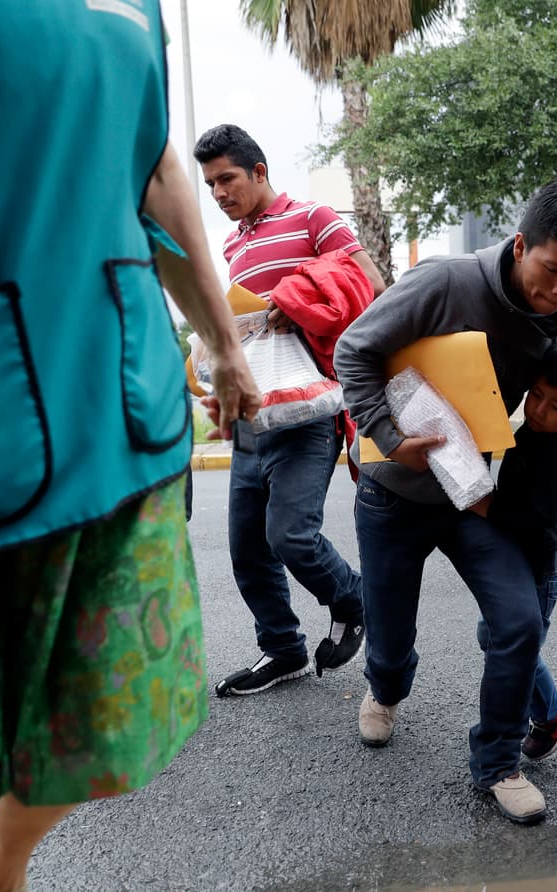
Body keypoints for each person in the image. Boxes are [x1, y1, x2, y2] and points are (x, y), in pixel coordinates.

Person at [0, 5, 261, 890]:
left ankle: (0, 858)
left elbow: (154, 164)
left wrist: (222, 340)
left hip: (117, 416)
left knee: (110, 708)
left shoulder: (139, 8)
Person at [334, 180, 557, 824]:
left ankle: (497, 763)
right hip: (393, 492)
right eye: (552, 270)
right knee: (391, 637)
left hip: (474, 496)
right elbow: (355, 349)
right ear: (520, 246)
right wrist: (387, 435)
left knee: (519, 622)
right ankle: (385, 688)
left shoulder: (556, 318)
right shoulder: (444, 282)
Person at [193, 124, 385, 696]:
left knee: (290, 536)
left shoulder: (313, 218)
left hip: (308, 411)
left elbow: (368, 286)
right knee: (247, 549)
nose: (219, 193)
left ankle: (355, 601)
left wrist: (295, 298)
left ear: (259, 170)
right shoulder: (233, 247)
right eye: (209, 185)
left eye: (227, 179)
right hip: (254, 413)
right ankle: (282, 651)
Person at [470, 339, 557, 762]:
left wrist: (487, 507)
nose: (537, 410)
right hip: (518, 562)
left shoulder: (549, 454)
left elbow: (538, 522)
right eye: (537, 396)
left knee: (512, 645)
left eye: (555, 407)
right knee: (496, 638)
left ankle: (550, 713)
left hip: (537, 567)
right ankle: (552, 709)